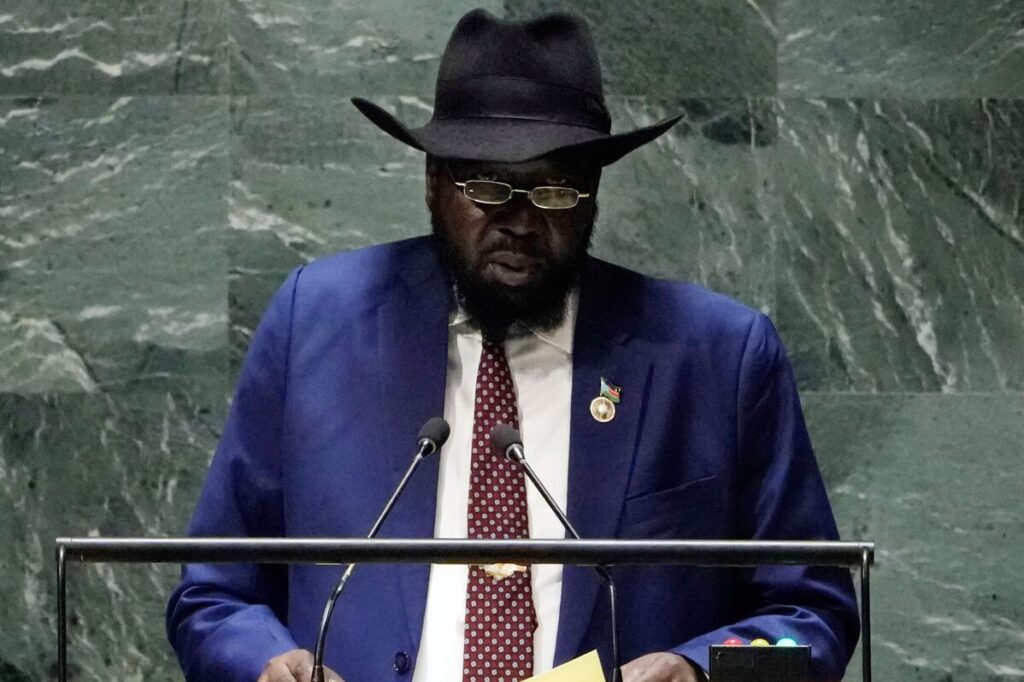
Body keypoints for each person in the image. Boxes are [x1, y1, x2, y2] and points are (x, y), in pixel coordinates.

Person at [167, 9, 859, 682]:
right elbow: (211, 596)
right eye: (488, 187)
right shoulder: (316, 322)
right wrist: (264, 663)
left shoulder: (716, 357)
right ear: (433, 183)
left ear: (593, 194)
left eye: (554, 190)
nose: (521, 221)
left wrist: (700, 671)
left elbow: (815, 621)